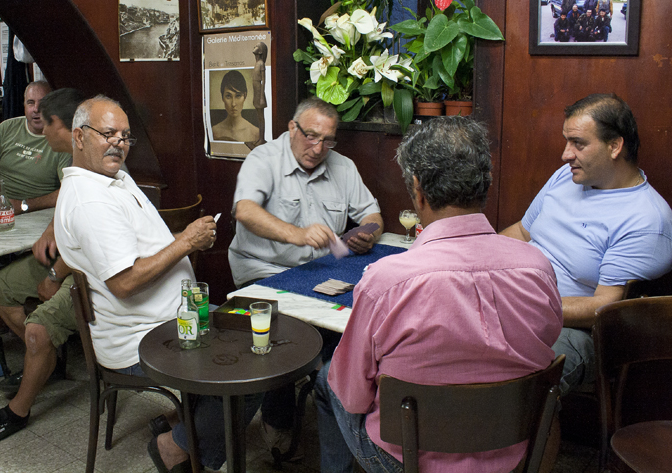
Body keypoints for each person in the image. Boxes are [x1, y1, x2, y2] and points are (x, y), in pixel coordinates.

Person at [316, 116, 563, 473]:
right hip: (514, 454)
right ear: (485, 185)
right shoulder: (538, 268)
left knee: (328, 379)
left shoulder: (385, 283)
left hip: (410, 462)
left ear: (417, 190)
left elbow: (354, 396)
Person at [50, 96, 226, 472]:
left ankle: (184, 426)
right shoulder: (90, 201)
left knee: (256, 336)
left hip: (173, 319)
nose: (119, 143)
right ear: (78, 137)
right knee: (246, 371)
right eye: (108, 133)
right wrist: (186, 242)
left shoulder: (111, 176)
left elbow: (142, 249)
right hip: (140, 340)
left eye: (126, 136)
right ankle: (177, 447)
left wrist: (185, 237)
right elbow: (126, 282)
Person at [228, 96, 383, 455]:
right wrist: (296, 234)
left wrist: (368, 234)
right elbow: (245, 211)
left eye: (327, 140)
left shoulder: (342, 166)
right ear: (291, 129)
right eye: (311, 136)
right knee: (284, 341)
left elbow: (373, 214)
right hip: (264, 272)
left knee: (341, 353)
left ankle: (323, 413)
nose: (318, 148)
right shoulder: (263, 159)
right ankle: (279, 420)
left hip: (319, 274)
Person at [501, 93, 672, 395]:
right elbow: (520, 233)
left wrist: (525, 306)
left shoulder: (646, 219)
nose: (566, 154)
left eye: (578, 143)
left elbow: (606, 305)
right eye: (567, 141)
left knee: (521, 375)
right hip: (514, 301)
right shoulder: (566, 178)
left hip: (578, 331)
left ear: (615, 146)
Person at [0, 88, 94, 445]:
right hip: (61, 250)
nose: (38, 129)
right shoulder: (75, 160)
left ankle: (17, 412)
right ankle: (46, 361)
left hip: (84, 265)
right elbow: (68, 208)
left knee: (37, 329)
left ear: (59, 126)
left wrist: (55, 274)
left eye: (44, 120)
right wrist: (51, 230)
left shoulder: (91, 163)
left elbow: (93, 238)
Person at [0, 80, 70, 214]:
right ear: (24, 105)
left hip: (38, 214)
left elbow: (67, 191)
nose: (36, 109)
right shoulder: (6, 128)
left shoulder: (61, 138)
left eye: (43, 103)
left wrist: (23, 205)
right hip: (0, 212)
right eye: (30, 102)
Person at [211, 70, 259, 143]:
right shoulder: (214, 131)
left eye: (238, 96)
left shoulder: (255, 133)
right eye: (228, 96)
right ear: (222, 97)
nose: (233, 104)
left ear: (245, 96)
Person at [249, 41, 268, 148]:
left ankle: (262, 139)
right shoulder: (257, 63)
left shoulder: (261, 63)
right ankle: (259, 138)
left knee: (261, 117)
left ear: (260, 51)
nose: (254, 47)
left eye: (256, 46)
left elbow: (263, 81)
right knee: (258, 117)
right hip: (256, 93)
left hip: (260, 93)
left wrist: (261, 97)